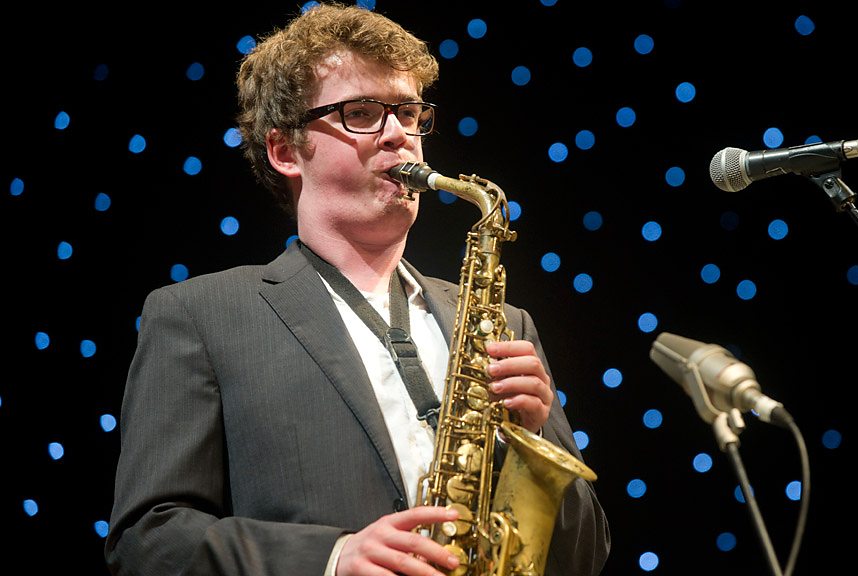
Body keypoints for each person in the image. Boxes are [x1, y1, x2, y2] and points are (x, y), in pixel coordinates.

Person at [103, 3, 610, 575]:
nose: (399, 136)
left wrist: (533, 436)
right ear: (285, 151)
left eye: (410, 113)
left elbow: (585, 557)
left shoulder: (505, 323)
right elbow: (147, 542)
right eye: (362, 113)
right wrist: (332, 557)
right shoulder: (202, 315)